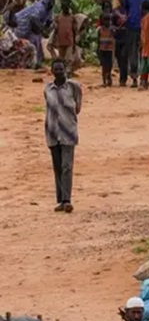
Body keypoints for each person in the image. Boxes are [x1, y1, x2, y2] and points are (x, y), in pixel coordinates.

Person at [45, 59, 82, 213]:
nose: (59, 72)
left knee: (67, 166)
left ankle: (67, 200)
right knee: (58, 168)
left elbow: (78, 107)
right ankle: (61, 199)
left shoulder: (74, 87)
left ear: (65, 70)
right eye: (56, 70)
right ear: (52, 71)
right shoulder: (48, 89)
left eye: (61, 69)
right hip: (53, 132)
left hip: (68, 132)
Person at [14, 0, 56, 69]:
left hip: (34, 27)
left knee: (37, 41)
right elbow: (33, 17)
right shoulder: (40, 7)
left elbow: (49, 19)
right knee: (30, 43)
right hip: (24, 24)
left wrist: (47, 28)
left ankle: (37, 62)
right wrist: (42, 30)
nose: (52, 2)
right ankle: (31, 63)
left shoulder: (49, 9)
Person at [98, 12, 116, 87]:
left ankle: (108, 77)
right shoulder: (100, 29)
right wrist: (98, 50)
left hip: (109, 49)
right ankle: (104, 81)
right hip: (102, 49)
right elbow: (98, 40)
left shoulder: (112, 29)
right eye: (105, 20)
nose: (106, 22)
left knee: (109, 65)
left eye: (108, 20)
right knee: (103, 66)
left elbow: (115, 36)